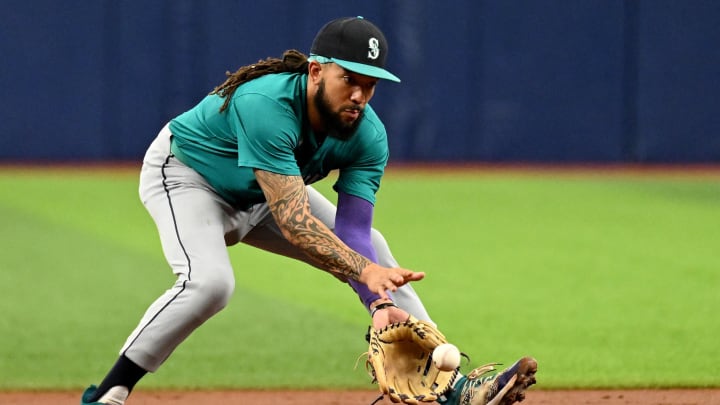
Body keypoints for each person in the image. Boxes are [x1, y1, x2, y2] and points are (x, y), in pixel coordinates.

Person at [81, 16, 536, 405]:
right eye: (350, 80)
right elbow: (296, 224)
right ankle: (110, 393)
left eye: (370, 84)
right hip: (189, 178)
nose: (359, 95)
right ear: (316, 71)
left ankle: (451, 387)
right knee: (210, 284)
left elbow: (354, 233)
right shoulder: (266, 104)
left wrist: (378, 301)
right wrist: (364, 274)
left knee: (374, 247)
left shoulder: (367, 136)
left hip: (267, 195)